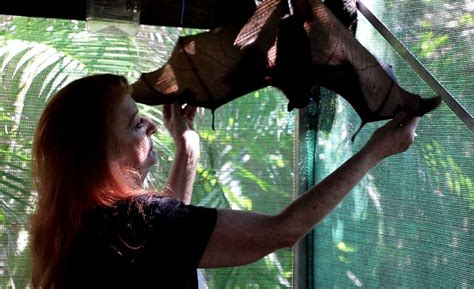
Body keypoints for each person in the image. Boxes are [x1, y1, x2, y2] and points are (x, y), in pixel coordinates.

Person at [30, 74, 419, 288]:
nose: (149, 124)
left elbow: (166, 249)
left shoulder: (80, 226)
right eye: (135, 124)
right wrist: (374, 151)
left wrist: (188, 148)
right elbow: (283, 231)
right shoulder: (137, 222)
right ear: (102, 155)